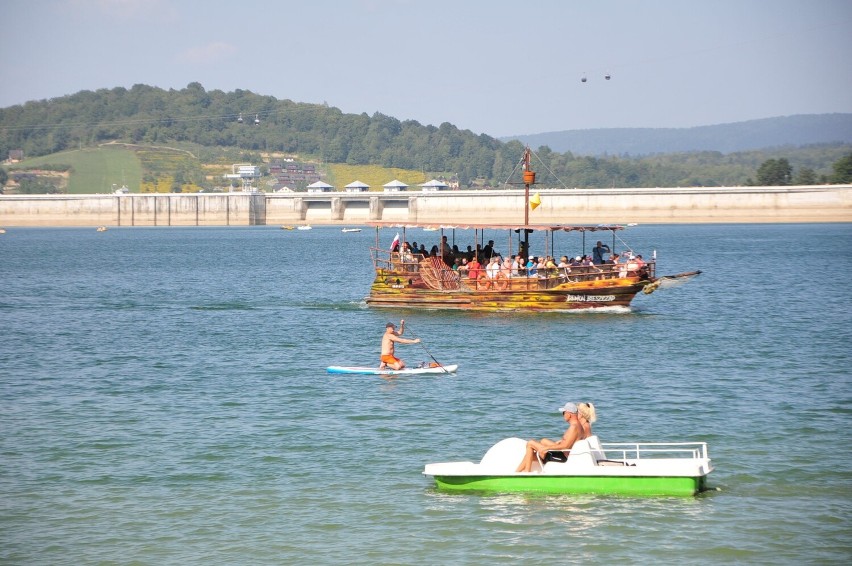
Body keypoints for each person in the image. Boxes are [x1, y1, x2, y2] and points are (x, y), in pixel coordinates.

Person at [515, 402, 582, 473]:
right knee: (543, 442)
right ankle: (516, 473)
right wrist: (560, 441)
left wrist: (546, 448)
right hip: (563, 454)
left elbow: (566, 446)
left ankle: (526, 472)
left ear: (569, 414)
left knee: (530, 443)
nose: (563, 415)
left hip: (562, 457)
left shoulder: (573, 427)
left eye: (563, 413)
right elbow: (571, 441)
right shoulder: (578, 426)